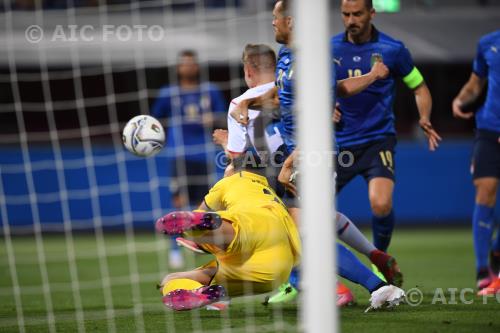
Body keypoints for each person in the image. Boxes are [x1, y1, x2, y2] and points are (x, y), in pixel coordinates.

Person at [230, 0, 404, 306]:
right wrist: (249, 104)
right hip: (296, 154)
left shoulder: (313, 58)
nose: (273, 23)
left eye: (276, 18)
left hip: (313, 155)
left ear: (292, 22)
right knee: (306, 233)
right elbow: (287, 93)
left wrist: (293, 161)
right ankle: (374, 284)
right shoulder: (287, 55)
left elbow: (322, 113)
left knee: (307, 235)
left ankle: (371, 286)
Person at [330, 0, 442, 274]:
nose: (351, 20)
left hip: (377, 140)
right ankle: (298, 277)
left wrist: (424, 117)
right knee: (307, 212)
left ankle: (380, 262)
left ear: (371, 13)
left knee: (381, 203)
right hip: (336, 144)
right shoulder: (329, 48)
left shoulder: (393, 50)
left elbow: (419, 87)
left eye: (357, 14)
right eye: (346, 14)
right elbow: (314, 88)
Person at [151, 49, 227, 268]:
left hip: (202, 153)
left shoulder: (209, 90)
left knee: (202, 203)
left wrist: (211, 118)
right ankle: (174, 248)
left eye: (191, 63)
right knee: (178, 201)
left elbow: (223, 115)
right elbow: (155, 120)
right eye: (184, 63)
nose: (188, 67)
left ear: (197, 66)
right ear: (178, 67)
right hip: (179, 153)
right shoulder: (169, 93)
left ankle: (198, 244)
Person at [452, 30, 500, 294]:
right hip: (489, 130)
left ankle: (495, 250)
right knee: (485, 192)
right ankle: (483, 271)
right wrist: (461, 98)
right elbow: (475, 83)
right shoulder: (488, 43)